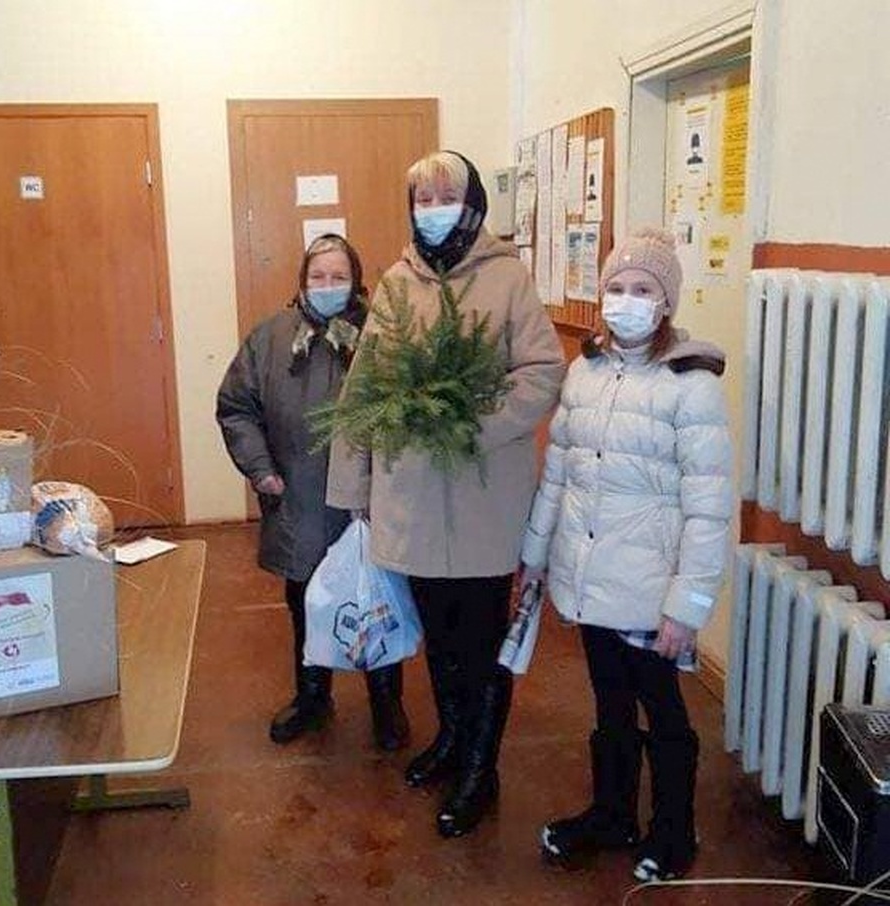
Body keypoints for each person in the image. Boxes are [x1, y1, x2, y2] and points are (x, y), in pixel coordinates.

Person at [327, 151, 566, 837]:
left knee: (482, 639)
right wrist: (354, 485)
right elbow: (365, 386)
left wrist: (472, 424)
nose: (432, 208)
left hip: (485, 498)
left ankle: (480, 770)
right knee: (437, 634)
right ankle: (453, 740)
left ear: (472, 203)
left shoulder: (507, 277)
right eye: (422, 198)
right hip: (412, 498)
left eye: (445, 196)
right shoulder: (397, 283)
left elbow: (543, 371)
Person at [520, 227, 734, 881]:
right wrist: (535, 556)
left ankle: (674, 832)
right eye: (616, 287)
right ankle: (612, 814)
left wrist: (687, 604)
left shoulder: (690, 385)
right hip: (590, 578)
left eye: (642, 289)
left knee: (662, 708)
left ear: (665, 302)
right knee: (609, 702)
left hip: (650, 588)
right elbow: (558, 474)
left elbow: (709, 507)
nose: (626, 300)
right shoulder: (583, 371)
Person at [216, 233, 410, 752]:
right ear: (302, 281)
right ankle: (312, 697)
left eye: (339, 276)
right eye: (317, 276)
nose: (328, 285)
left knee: (376, 597)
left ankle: (386, 702)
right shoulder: (271, 337)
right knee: (305, 598)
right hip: (297, 496)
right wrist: (261, 470)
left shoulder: (382, 334)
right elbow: (236, 407)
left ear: (356, 281)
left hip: (368, 501)